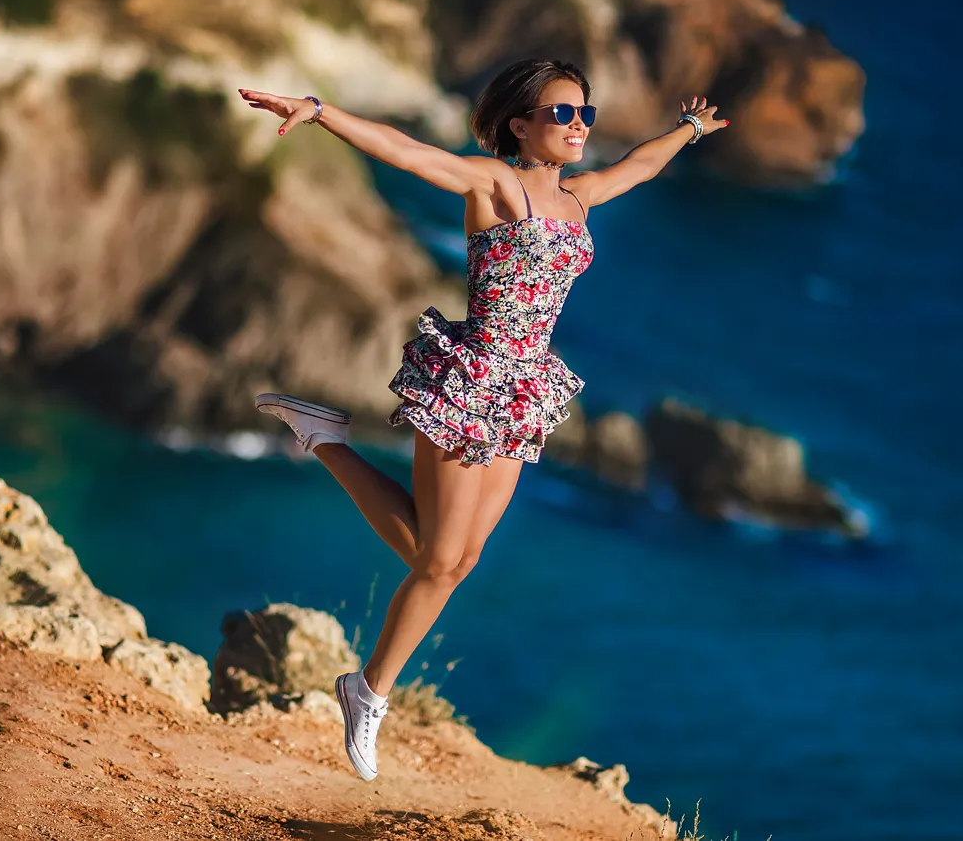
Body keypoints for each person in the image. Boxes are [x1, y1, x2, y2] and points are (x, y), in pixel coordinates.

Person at [239, 59, 727, 781]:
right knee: (436, 561)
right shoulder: (492, 184)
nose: (579, 125)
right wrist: (320, 111)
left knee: (455, 562)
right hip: (472, 378)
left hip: (526, 389)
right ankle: (368, 692)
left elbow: (641, 166)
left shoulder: (581, 198)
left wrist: (686, 129)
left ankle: (324, 438)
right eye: (562, 114)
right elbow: (409, 152)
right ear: (521, 125)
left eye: (584, 113)